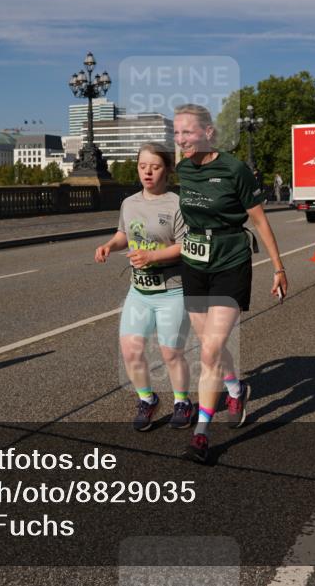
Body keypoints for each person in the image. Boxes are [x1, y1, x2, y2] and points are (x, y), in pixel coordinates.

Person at [173, 103, 287, 463]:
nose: (181, 140)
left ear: (208, 132)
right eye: (176, 133)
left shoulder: (235, 169)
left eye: (187, 132)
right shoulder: (182, 169)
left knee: (209, 350)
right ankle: (236, 388)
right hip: (194, 262)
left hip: (230, 261)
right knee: (209, 343)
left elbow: (260, 222)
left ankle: (202, 434)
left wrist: (278, 268)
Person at [95, 144, 192, 431]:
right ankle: (147, 400)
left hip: (172, 290)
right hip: (139, 290)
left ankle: (182, 402)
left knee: (170, 352)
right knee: (131, 350)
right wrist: (109, 246)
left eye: (155, 166)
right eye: (142, 166)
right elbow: (124, 234)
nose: (147, 172)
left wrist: (152, 256)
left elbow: (186, 246)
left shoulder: (177, 203)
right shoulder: (130, 203)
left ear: (167, 170)